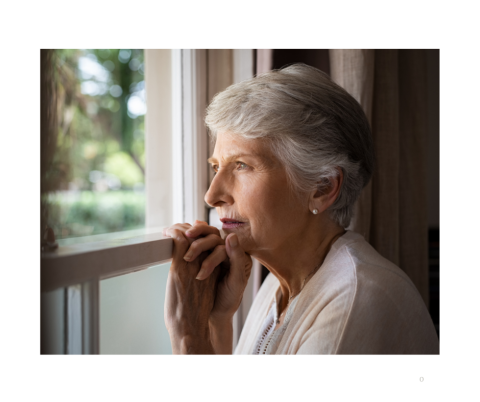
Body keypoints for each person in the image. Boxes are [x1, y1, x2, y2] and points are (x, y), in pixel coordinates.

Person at [163, 64, 440, 356]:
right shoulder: (277, 287)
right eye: (217, 167)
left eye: (242, 165)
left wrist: (189, 337)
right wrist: (217, 322)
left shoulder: (356, 299)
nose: (212, 196)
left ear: (322, 188)